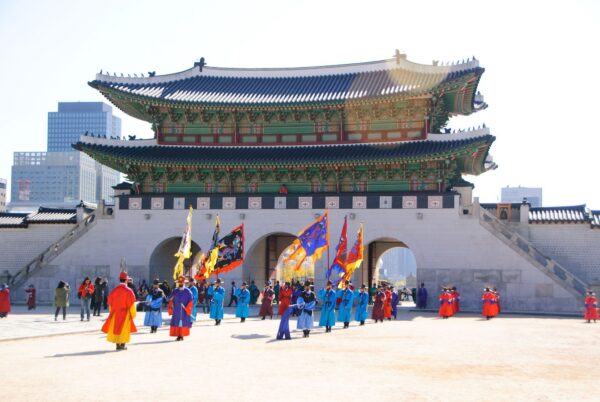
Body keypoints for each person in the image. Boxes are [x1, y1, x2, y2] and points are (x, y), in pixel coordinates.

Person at [102, 272, 137, 351]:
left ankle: (117, 344)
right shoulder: (129, 291)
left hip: (115, 313)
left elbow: (110, 304)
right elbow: (132, 304)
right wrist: (133, 314)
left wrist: (112, 312)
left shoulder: (114, 290)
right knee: (124, 329)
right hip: (125, 313)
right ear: (126, 280)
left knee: (116, 328)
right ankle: (122, 344)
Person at [168, 276, 194, 341]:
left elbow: (191, 301)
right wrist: (171, 299)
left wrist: (187, 308)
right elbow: (170, 299)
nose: (180, 284)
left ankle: (181, 335)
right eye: (179, 283)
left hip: (184, 310)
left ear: (184, 283)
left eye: (182, 283)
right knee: (176, 322)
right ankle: (178, 335)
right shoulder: (175, 291)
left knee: (183, 322)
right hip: (177, 310)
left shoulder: (188, 291)